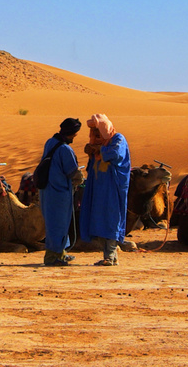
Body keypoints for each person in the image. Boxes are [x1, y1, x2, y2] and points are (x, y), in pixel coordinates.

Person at [78, 113, 130, 266]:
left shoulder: (118, 139)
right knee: (97, 220)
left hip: (113, 189)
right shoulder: (100, 145)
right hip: (97, 189)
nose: (95, 135)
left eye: (98, 131)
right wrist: (92, 150)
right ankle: (109, 256)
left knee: (112, 219)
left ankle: (111, 255)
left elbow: (115, 154)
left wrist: (99, 150)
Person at [39, 118, 83, 266]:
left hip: (47, 191)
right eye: (74, 135)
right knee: (59, 224)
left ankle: (61, 253)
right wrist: (80, 179)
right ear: (71, 133)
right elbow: (73, 172)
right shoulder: (65, 149)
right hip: (59, 193)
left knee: (54, 223)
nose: (74, 138)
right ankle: (52, 257)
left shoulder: (50, 142)